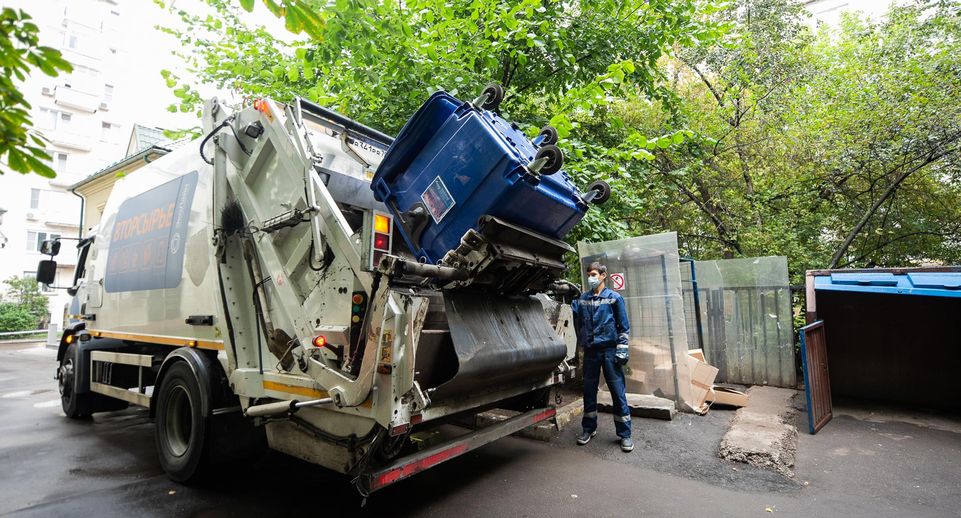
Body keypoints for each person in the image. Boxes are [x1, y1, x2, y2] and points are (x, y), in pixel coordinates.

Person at [571, 262, 633, 452]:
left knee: (617, 392)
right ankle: (588, 429)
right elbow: (578, 322)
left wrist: (622, 349)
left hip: (610, 352)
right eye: (589, 274)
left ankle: (625, 435)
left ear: (603, 275)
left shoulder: (614, 298)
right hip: (591, 352)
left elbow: (624, 327)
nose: (591, 277)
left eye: (594, 274)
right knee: (589, 392)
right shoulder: (583, 299)